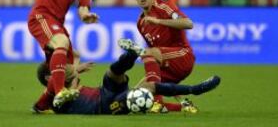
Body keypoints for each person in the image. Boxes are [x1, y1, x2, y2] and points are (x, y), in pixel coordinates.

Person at [33, 47, 221, 115]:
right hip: (106, 107)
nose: (62, 66)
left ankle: (131, 54)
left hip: (103, 92)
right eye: (58, 67)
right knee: (146, 89)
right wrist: (75, 66)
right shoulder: (52, 96)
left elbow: (71, 80)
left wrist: (74, 66)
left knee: (112, 72)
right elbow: (38, 107)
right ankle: (193, 90)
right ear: (49, 77)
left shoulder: (64, 87)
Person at [119, 0, 196, 112]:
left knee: (148, 53)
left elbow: (188, 23)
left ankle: (157, 102)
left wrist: (159, 21)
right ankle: (183, 106)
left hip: (183, 56)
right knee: (134, 97)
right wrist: (180, 98)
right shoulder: (141, 23)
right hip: (166, 64)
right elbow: (154, 59)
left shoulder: (164, 7)